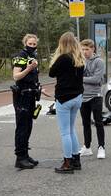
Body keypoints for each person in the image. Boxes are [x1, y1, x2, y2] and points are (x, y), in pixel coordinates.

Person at [48, 32, 85, 174]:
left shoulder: (62, 58)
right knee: (71, 129)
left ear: (62, 44)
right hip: (77, 97)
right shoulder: (80, 59)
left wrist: (57, 56)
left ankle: (67, 162)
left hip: (64, 98)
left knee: (65, 132)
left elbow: (51, 73)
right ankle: (76, 160)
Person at [11, 33, 42, 170]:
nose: (32, 46)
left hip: (31, 95)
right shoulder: (21, 57)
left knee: (28, 126)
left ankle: (25, 154)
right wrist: (29, 68)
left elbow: (34, 77)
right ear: (25, 43)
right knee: (22, 127)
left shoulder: (34, 57)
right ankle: (20, 158)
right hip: (22, 96)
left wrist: (39, 88)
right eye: (30, 44)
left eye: (34, 44)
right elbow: (16, 76)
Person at [79, 39, 106, 160]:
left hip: (95, 96)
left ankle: (101, 147)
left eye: (87, 49)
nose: (84, 52)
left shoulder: (99, 62)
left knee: (98, 122)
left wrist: (80, 78)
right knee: (85, 123)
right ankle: (87, 147)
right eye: (83, 49)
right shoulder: (80, 61)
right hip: (82, 97)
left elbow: (96, 80)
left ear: (92, 49)